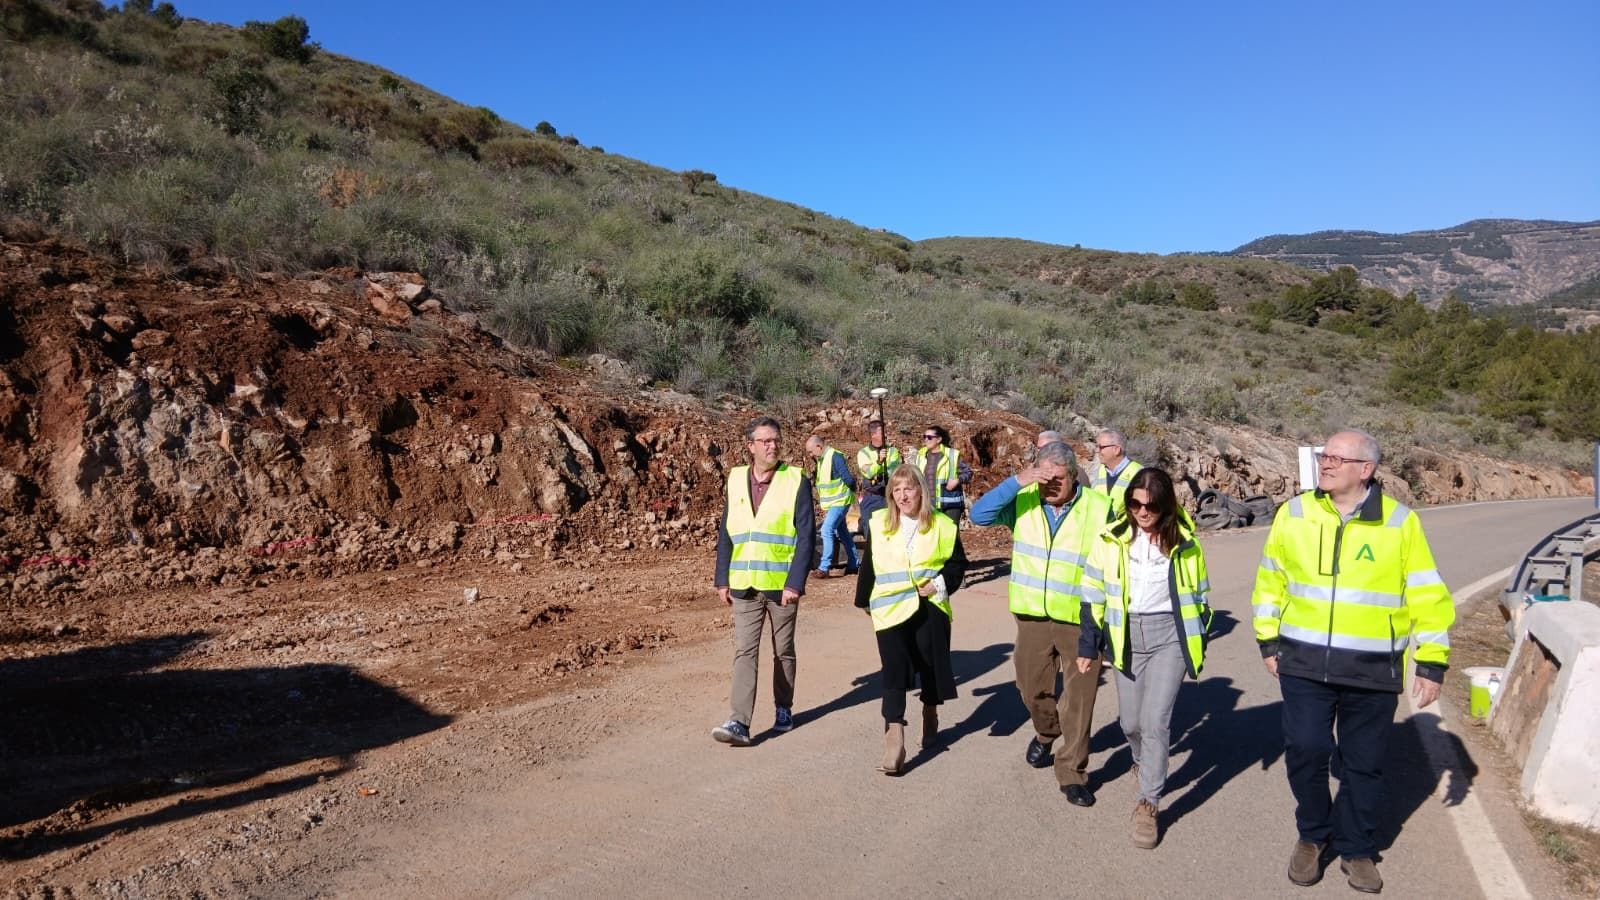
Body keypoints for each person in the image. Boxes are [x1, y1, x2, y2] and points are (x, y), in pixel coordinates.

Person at [1252, 429, 1454, 893]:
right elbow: (1270, 581)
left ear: (1366, 469)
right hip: (1303, 662)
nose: (1325, 463)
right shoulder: (1294, 514)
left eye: (1337, 458)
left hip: (1372, 668)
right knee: (1305, 750)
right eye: (1324, 456)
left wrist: (1432, 661)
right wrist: (1267, 639)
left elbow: (1426, 593)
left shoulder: (1400, 523)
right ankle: (1312, 835)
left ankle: (1357, 847)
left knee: (1363, 763)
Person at [970, 440, 1112, 806]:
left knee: (1080, 698)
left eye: (1058, 479)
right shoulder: (1024, 500)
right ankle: (1047, 732)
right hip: (1032, 616)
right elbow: (980, 515)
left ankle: (1072, 772)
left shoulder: (1100, 507)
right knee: (1030, 688)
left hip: (1081, 617)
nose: (1050, 485)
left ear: (1074, 476)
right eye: (1044, 478)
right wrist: (1019, 481)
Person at [1077, 467, 1212, 849]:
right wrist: (1088, 645)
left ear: (1165, 506)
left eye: (1150, 506)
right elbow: (1092, 592)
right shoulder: (1110, 539)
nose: (1142, 512)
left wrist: (1198, 634)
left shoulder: (1185, 541)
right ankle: (1142, 758)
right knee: (1131, 723)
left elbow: (1200, 594)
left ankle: (1148, 802)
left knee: (1155, 722)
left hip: (1169, 636)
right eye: (1135, 504)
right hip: (1126, 635)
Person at [853, 466, 967, 775]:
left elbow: (957, 565)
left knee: (929, 665)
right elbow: (870, 565)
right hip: (890, 608)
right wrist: (864, 601)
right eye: (897, 490)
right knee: (894, 669)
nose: (903, 496)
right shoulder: (879, 523)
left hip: (929, 606)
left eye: (909, 489)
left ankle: (930, 712)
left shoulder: (942, 525)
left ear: (921, 492)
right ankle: (894, 740)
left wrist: (939, 584)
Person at [711, 417, 816, 747]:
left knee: (783, 650)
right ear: (751, 446)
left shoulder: (795, 480)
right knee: (745, 651)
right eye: (765, 441)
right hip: (743, 584)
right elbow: (727, 532)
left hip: (781, 585)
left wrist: (795, 583)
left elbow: (806, 536)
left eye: (776, 440)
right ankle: (739, 721)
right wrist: (722, 578)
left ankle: (783, 707)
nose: (773, 446)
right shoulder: (735, 479)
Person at [806, 434, 859, 577]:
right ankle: (854, 564)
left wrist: (853, 492)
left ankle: (824, 567)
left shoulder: (835, 457)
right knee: (843, 533)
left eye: (811, 451)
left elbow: (848, 479)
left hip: (840, 502)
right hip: (836, 502)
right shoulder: (823, 459)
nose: (810, 455)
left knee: (826, 530)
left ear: (819, 446)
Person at [913, 425, 972, 521]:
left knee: (951, 531)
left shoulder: (952, 454)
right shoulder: (921, 455)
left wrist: (957, 480)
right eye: (924, 437)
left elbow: (968, 472)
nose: (926, 440)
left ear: (939, 439)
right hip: (928, 505)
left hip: (951, 504)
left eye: (929, 437)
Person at [857, 419, 903, 539]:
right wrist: (879, 462)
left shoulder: (893, 451)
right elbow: (868, 473)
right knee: (870, 533)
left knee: (893, 532)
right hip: (872, 498)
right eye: (883, 432)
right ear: (873, 434)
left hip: (890, 497)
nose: (886, 435)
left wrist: (878, 469)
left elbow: (893, 471)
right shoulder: (863, 453)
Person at [1090, 428, 1144, 520]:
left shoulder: (1140, 473)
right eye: (1097, 446)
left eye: (1101, 447)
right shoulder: (1097, 472)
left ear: (1116, 450)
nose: (1097, 450)